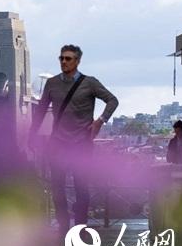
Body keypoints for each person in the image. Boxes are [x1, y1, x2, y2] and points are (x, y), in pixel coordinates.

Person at [27, 44, 119, 232]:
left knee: (81, 188)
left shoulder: (90, 83)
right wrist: (31, 135)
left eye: (68, 59)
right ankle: (63, 227)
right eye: (61, 58)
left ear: (77, 61)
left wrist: (100, 121)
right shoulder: (52, 84)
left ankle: (80, 227)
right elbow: (41, 111)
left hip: (81, 144)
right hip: (58, 143)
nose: (64, 62)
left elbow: (113, 100)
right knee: (57, 188)